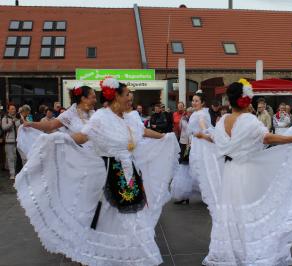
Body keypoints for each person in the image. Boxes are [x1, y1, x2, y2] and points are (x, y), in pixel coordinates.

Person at [15, 77, 179, 265]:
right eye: (127, 95)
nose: (130, 99)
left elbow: (142, 131)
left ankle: (136, 254)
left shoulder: (129, 117)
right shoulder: (101, 117)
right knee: (109, 216)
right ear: (116, 96)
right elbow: (84, 136)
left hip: (129, 174)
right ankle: (109, 252)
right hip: (108, 173)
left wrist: (164, 137)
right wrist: (60, 140)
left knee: (134, 217)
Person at [196, 79, 292, 266]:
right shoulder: (249, 120)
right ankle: (252, 251)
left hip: (230, 171)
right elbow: (267, 137)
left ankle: (235, 251)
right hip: (248, 171)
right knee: (252, 209)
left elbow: (217, 140)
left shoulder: (223, 120)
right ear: (246, 100)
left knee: (234, 210)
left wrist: (203, 136)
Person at [171, 107, 197, 204]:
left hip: (193, 145)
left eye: (192, 112)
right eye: (189, 112)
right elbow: (186, 131)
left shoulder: (194, 120)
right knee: (184, 168)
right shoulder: (184, 120)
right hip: (186, 145)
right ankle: (184, 195)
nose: (190, 114)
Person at [1, 104, 22, 179]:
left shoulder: (16, 118)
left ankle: (15, 173)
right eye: (12, 109)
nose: (14, 110)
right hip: (9, 141)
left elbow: (18, 127)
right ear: (8, 110)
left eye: (14, 108)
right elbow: (4, 128)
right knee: (10, 158)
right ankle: (12, 174)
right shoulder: (5, 118)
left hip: (17, 140)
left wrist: (20, 120)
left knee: (15, 157)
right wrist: (11, 122)